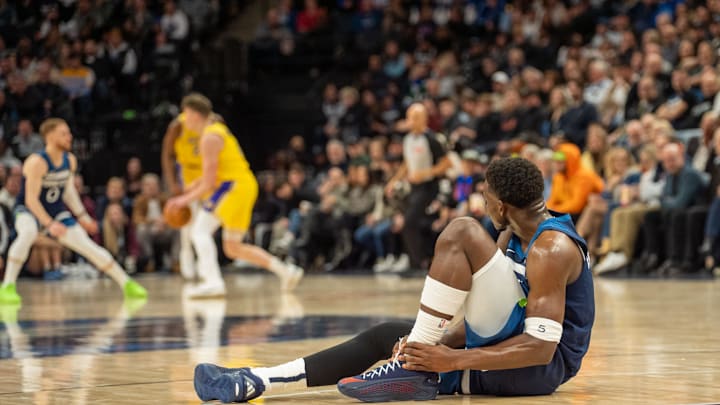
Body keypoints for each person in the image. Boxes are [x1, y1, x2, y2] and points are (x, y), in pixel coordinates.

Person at [192, 157, 594, 403]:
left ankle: (413, 365)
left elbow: (541, 347)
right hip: (505, 348)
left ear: (502, 205)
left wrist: (451, 358)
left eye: (486, 197)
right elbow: (491, 315)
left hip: (537, 369)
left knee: (460, 232)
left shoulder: (551, 250)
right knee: (384, 336)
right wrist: (434, 346)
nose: (482, 203)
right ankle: (254, 381)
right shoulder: (511, 234)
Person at [166, 94, 303, 298]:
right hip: (242, 185)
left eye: (186, 114)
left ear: (194, 114)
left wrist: (181, 200)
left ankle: (212, 282)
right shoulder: (216, 131)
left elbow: (209, 182)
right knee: (233, 247)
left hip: (233, 187)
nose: (184, 120)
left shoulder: (209, 137)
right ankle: (286, 271)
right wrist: (192, 187)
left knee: (199, 231)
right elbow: (211, 174)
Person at [0, 118, 147, 305]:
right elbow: (31, 199)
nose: (69, 137)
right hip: (29, 211)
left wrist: (83, 216)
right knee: (27, 234)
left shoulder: (69, 160)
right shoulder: (36, 162)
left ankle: (126, 283)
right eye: (64, 133)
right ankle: (7, 286)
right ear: (50, 136)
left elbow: (68, 192)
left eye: (69, 133)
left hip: (56, 211)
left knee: (87, 246)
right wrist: (49, 224)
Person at [160, 109, 221, 280]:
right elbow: (167, 154)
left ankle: (206, 265)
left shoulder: (215, 123)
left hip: (209, 175)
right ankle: (187, 259)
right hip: (187, 178)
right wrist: (172, 183)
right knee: (187, 224)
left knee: (207, 225)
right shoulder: (177, 126)